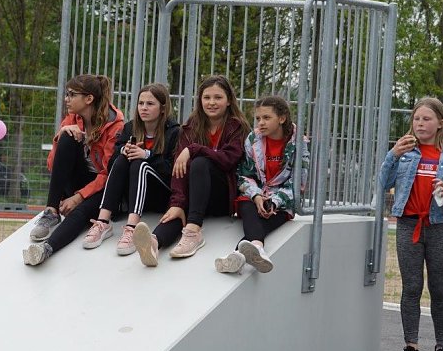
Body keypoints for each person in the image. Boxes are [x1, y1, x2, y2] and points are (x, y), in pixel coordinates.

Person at [378, 97, 443, 351]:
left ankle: (442, 348)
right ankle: (411, 347)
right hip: (409, 225)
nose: (420, 124)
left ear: (440, 122)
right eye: (416, 119)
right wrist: (392, 155)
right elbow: (383, 182)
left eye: (426, 119)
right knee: (412, 287)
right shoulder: (405, 151)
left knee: (439, 289)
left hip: (440, 227)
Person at [131, 75, 250, 267]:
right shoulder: (192, 125)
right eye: (207, 97)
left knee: (200, 162)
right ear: (200, 100)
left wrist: (193, 149)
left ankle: (194, 232)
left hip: (221, 198)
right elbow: (179, 168)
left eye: (218, 97)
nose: (211, 102)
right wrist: (177, 203)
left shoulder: (237, 127)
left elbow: (228, 160)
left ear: (229, 100)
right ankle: (154, 243)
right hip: (196, 197)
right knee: (178, 211)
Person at [22, 74, 124, 265]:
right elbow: (52, 165)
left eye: (71, 94)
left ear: (89, 99)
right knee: (67, 137)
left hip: (103, 190)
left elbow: (108, 174)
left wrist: (78, 197)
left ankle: (46, 249)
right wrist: (60, 136)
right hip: (78, 182)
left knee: (81, 211)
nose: (66, 99)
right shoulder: (72, 118)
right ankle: (51, 212)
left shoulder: (115, 126)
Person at [81, 83, 180, 255]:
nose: (144, 108)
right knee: (122, 158)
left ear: (163, 108)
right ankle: (102, 222)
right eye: (141, 103)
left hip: (160, 195)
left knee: (139, 163)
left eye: (150, 104)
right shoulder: (130, 128)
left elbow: (172, 169)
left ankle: (132, 228)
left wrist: (147, 155)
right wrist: (123, 151)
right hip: (134, 194)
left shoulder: (174, 132)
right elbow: (111, 165)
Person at [214, 95, 308, 274]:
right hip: (253, 196)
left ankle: (237, 254)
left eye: (266, 117)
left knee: (264, 219)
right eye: (258, 118)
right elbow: (244, 175)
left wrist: (274, 202)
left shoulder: (298, 143)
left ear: (282, 118)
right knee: (247, 204)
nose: (261, 123)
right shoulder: (252, 139)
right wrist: (257, 196)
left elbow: (298, 183)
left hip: (282, 202)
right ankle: (258, 247)